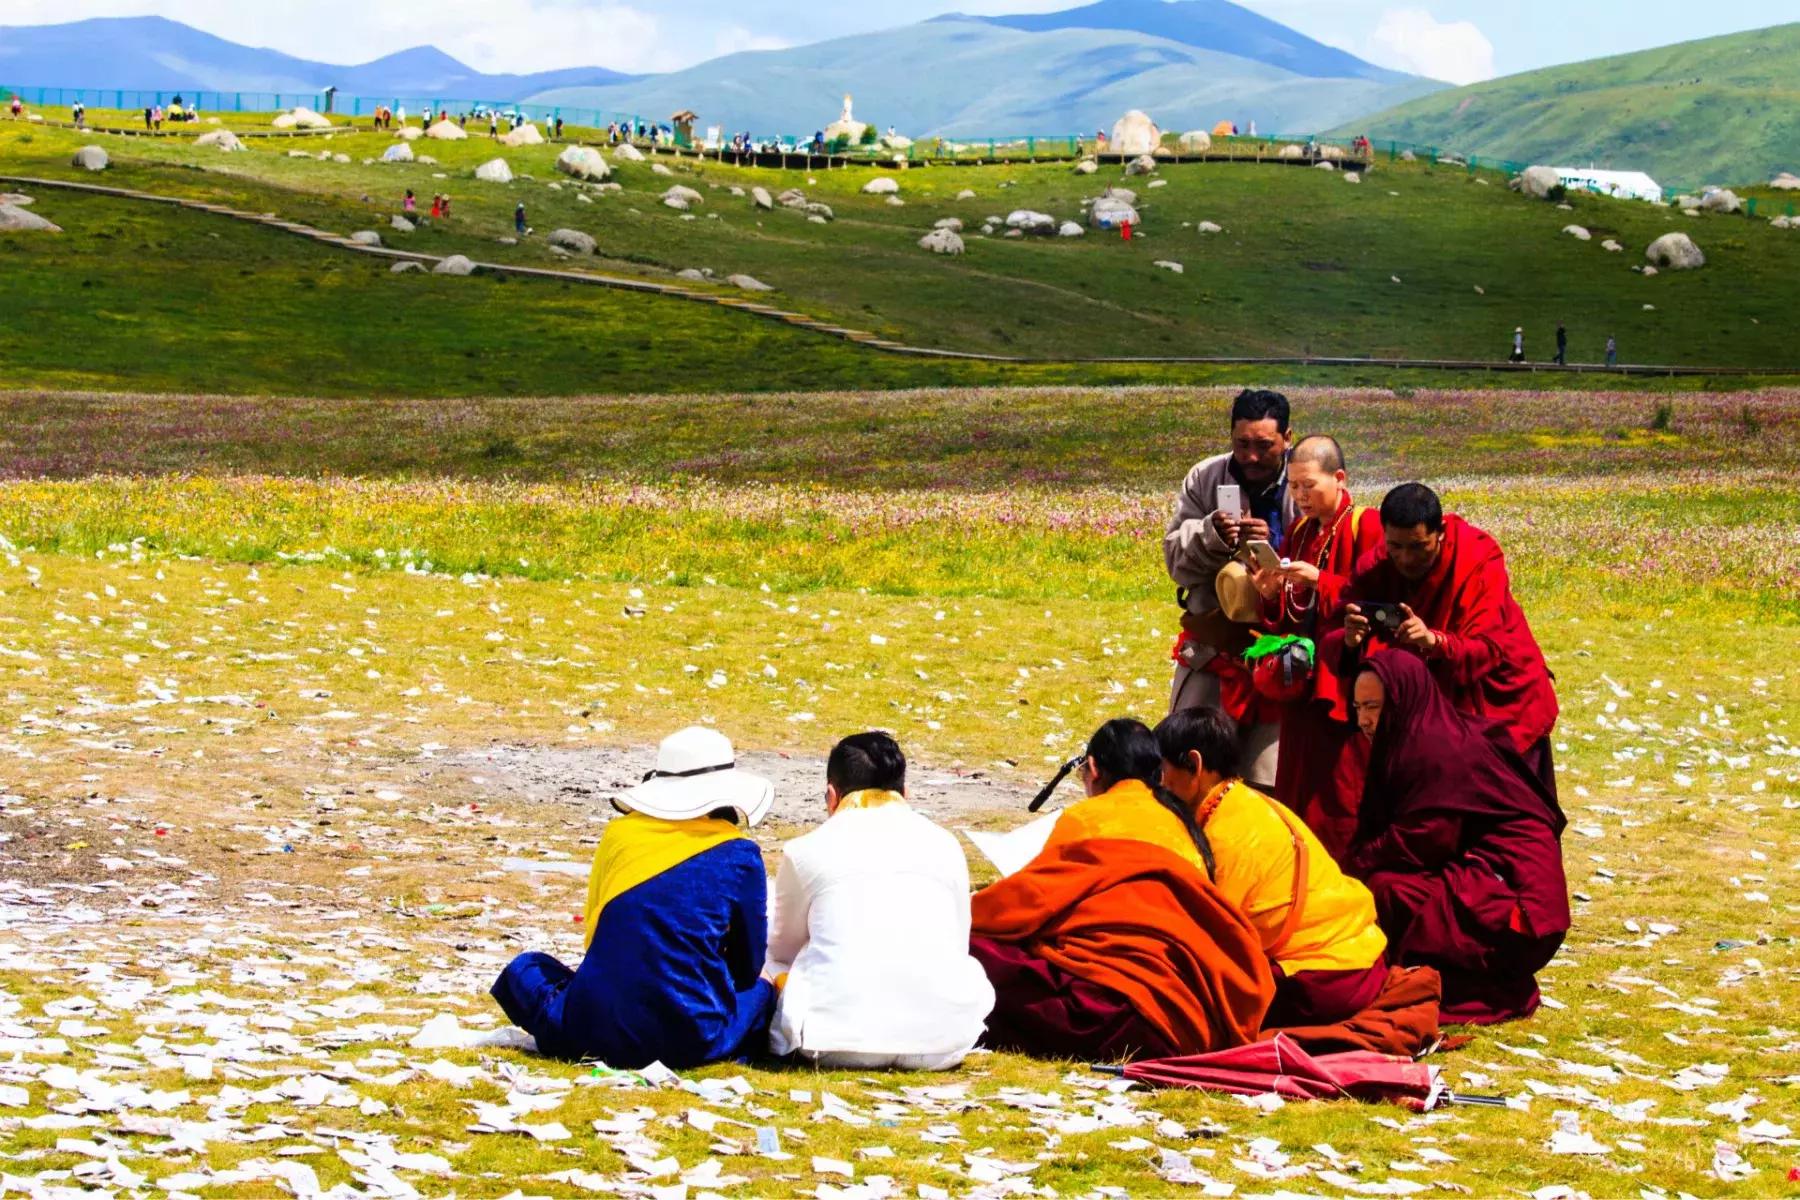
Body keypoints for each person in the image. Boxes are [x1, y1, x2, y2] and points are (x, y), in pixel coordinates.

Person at [969, 719, 1274, 1062]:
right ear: (1158, 774)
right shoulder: (1187, 826)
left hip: (1113, 1012)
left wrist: (958, 918)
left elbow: (1027, 905)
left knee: (977, 955)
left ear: (1094, 770)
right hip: (1188, 1022)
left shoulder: (1087, 818)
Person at [490, 726, 778, 1067]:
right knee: (763, 992)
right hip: (692, 1037)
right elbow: (747, 966)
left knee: (527, 969)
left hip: (593, 1029)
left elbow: (595, 937)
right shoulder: (739, 854)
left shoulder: (619, 836)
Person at [1348, 653, 1569, 1023]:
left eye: (1373, 706)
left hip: (1522, 904)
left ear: (1402, 700)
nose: (1364, 721)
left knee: (1388, 889)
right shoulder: (1416, 737)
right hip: (1496, 879)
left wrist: (1352, 864)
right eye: (1357, 708)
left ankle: (1458, 984)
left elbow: (1424, 839)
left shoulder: (1437, 750)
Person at [766, 732, 994, 1069]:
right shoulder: (945, 844)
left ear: (832, 796)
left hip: (832, 1044)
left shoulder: (805, 851)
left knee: (767, 958)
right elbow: (959, 944)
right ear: (905, 794)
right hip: (941, 1044)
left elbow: (782, 950)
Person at [1154, 707, 1390, 1028]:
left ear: (1195, 765)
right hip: (1363, 956)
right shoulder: (1246, 802)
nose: (1159, 786)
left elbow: (1211, 945)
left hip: (1326, 976)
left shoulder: (1228, 837)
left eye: (1162, 771)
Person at [1336, 482, 1560, 792]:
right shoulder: (1377, 566)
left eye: (1418, 546)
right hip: (1433, 715)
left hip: (1498, 701)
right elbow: (1340, 618)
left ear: (1440, 531)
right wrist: (1352, 637)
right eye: (1395, 547)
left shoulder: (1478, 557)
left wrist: (1433, 641)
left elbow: (1488, 647)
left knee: (1514, 810)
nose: (1406, 558)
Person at [1246, 435, 1384, 859]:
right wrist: (1269, 592)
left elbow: (1379, 599)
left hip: (1344, 682)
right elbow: (1289, 614)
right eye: (1293, 487)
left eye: (1309, 486)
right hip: (1304, 683)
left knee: (1341, 793)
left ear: (1339, 478)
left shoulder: (1366, 525)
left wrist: (1320, 582)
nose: (1301, 496)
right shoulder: (1302, 531)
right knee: (1298, 788)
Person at [1163, 388, 1298, 790]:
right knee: (1189, 772)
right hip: (1211, 653)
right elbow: (1175, 562)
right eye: (1242, 445)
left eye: (1264, 445)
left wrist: (1273, 548)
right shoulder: (1205, 477)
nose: (1252, 456)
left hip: (1279, 660)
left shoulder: (1303, 480)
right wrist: (1212, 535)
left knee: (1268, 785)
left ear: (1288, 437)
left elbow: (1325, 561)